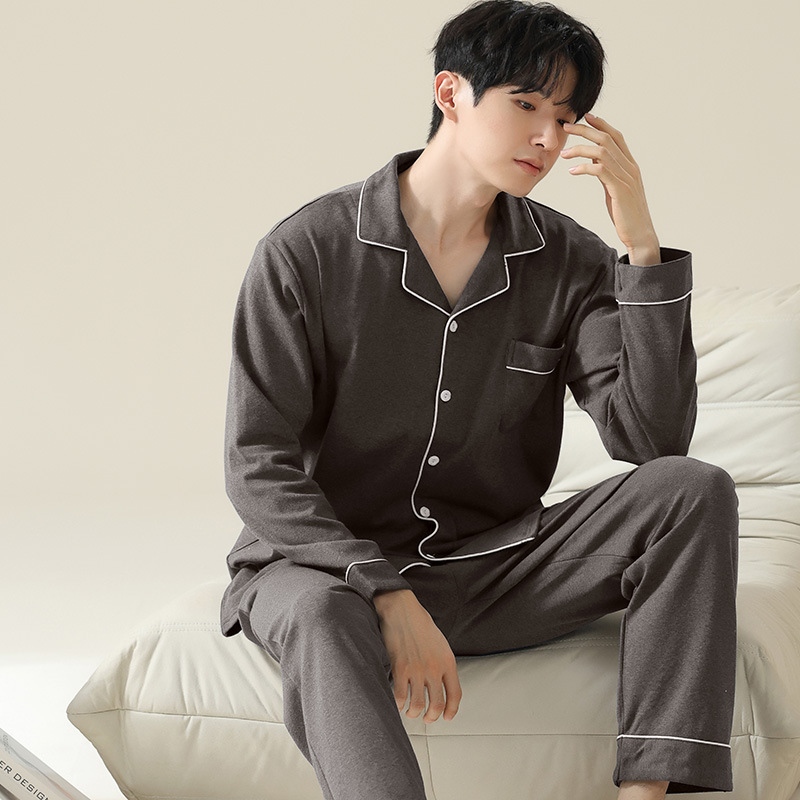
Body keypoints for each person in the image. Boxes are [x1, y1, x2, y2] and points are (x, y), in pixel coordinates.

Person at [218, 1, 740, 798]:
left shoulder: (572, 261)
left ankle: (647, 793)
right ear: (451, 93)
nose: (548, 138)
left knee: (692, 490)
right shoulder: (308, 251)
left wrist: (641, 250)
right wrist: (384, 590)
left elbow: (652, 441)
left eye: (565, 118)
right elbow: (257, 463)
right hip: (325, 569)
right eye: (526, 105)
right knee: (323, 617)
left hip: (491, 568)